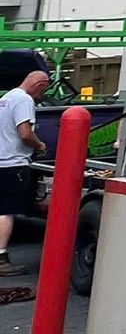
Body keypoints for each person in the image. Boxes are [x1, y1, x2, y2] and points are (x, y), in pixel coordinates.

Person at [0, 69, 50, 277]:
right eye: (43, 91)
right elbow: (25, 133)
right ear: (39, 85)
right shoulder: (24, 101)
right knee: (5, 212)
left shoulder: (6, 98)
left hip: (1, 160)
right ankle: (1, 258)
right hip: (14, 163)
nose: (41, 97)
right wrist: (39, 145)